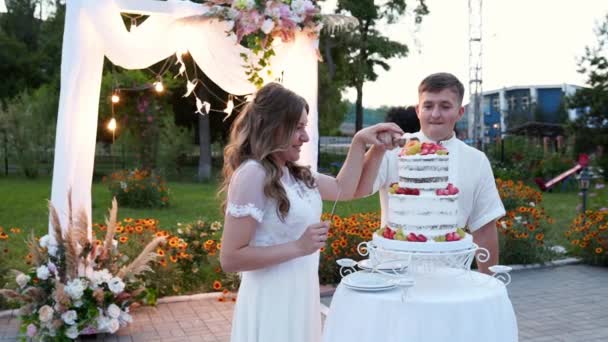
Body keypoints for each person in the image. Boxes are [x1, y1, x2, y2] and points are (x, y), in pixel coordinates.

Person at [218, 82, 402, 342]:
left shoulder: (294, 173)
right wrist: (298, 246)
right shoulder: (251, 174)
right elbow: (230, 258)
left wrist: (368, 144)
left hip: (300, 295)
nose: (305, 137)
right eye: (298, 128)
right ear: (273, 126)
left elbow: (346, 189)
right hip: (272, 301)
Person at [354, 72, 505, 274]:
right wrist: (376, 148)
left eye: (445, 106)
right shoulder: (394, 149)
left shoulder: (476, 160)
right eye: (428, 106)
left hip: (451, 275)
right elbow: (360, 189)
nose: (435, 114)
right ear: (418, 110)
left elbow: (484, 227)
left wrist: (490, 282)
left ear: (460, 112)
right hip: (392, 273)